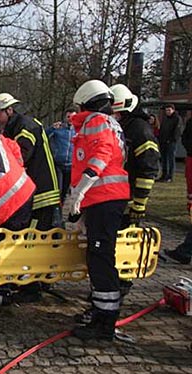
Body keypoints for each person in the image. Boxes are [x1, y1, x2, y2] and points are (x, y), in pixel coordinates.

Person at [66, 79, 130, 341]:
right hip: (106, 201)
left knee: (101, 258)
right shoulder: (111, 123)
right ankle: (102, 313)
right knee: (100, 257)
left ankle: (104, 322)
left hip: (104, 199)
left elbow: (101, 155)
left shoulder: (95, 121)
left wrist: (81, 190)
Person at [0, 93, 61, 230]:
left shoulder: (25, 126)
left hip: (42, 190)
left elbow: (20, 156)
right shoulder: (15, 127)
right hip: (33, 187)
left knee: (38, 234)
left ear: (9, 110)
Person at [110, 84, 160, 227]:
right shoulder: (122, 127)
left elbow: (148, 169)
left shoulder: (141, 131)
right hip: (116, 195)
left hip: (129, 199)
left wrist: (139, 204)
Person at [46, 108, 77, 203]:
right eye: (68, 117)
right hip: (58, 164)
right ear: (65, 118)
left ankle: (61, 208)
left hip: (71, 165)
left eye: (73, 117)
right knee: (57, 190)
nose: (70, 119)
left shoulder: (78, 130)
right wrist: (51, 128)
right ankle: (55, 211)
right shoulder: (58, 129)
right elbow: (44, 135)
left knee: (65, 191)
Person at [158, 104, 183, 183]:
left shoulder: (177, 119)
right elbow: (162, 129)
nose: (167, 112)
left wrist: (172, 140)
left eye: (169, 110)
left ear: (173, 110)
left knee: (170, 159)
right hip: (163, 142)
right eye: (166, 110)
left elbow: (177, 131)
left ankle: (170, 176)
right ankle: (164, 175)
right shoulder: (165, 119)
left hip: (171, 142)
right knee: (164, 159)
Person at [182, 116, 192, 214]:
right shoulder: (190, 122)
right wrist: (189, 147)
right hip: (190, 156)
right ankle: (190, 205)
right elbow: (184, 136)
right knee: (190, 181)